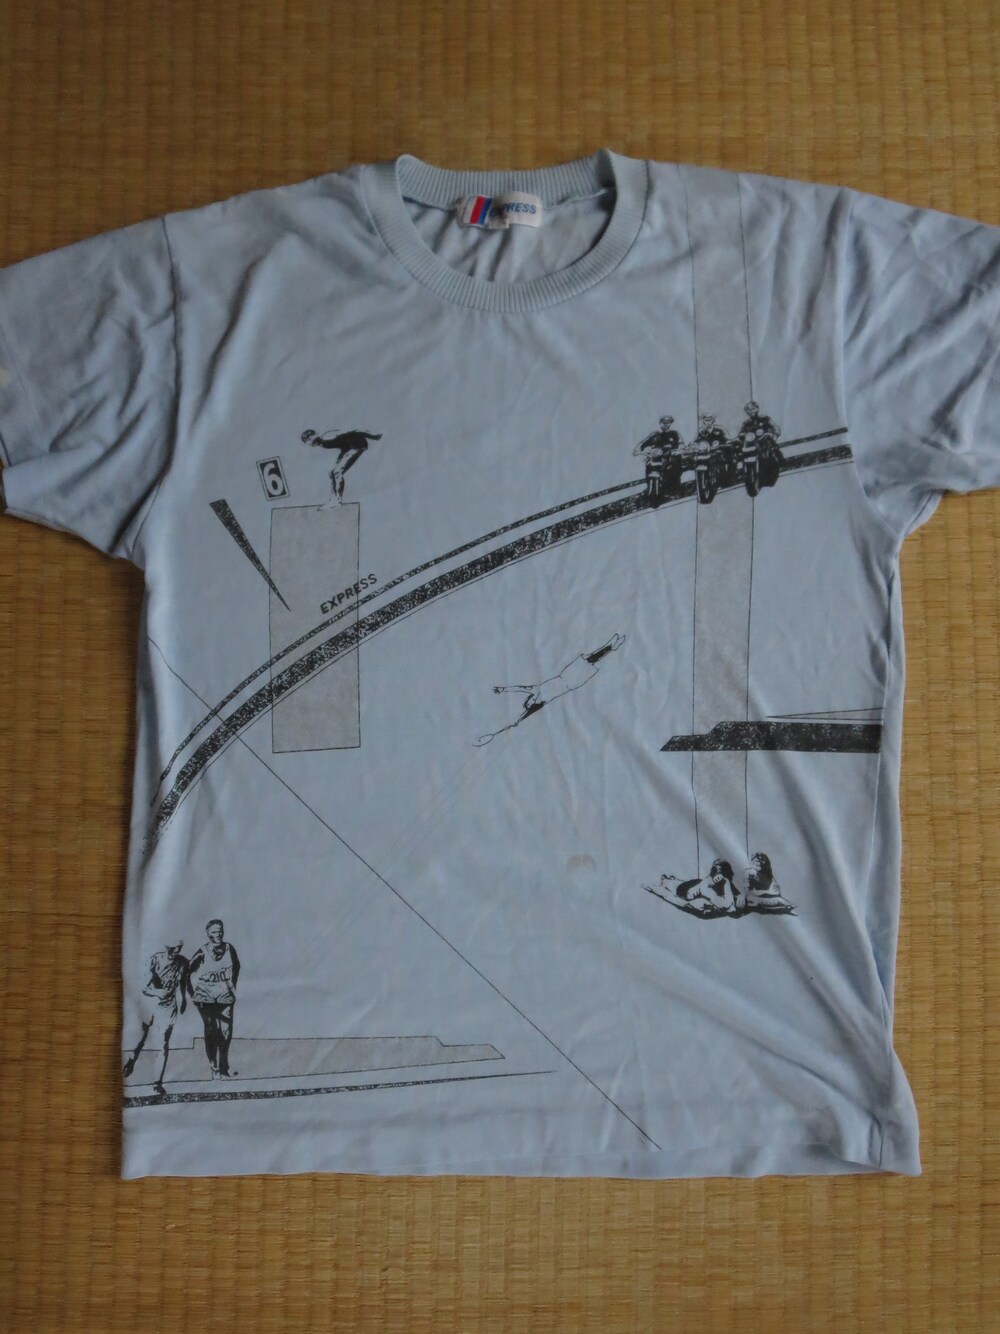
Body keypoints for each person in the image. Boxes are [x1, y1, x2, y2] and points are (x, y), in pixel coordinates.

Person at [475, 633, 627, 745]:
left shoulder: (535, 689)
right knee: (591, 662)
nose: (530, 703)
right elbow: (524, 716)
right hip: (569, 685)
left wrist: (503, 689)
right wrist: (517, 721)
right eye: (530, 705)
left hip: (564, 676)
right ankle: (611, 647)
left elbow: (519, 688)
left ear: (529, 699)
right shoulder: (542, 702)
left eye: (528, 702)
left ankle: (610, 646)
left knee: (588, 658)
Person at [123, 940, 190, 1097]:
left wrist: (183, 998)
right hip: (150, 1003)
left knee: (163, 1043)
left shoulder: (183, 962)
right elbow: (144, 987)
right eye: (173, 948)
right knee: (140, 1039)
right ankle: (132, 1059)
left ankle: (157, 1084)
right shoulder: (155, 960)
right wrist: (157, 992)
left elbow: (183, 981)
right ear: (167, 947)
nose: (176, 950)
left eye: (179, 947)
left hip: (168, 1006)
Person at [188, 919, 241, 1079]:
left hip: (225, 997)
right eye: (214, 932)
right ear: (208, 934)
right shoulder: (202, 951)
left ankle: (224, 1066)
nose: (217, 934)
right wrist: (192, 994)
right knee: (211, 1030)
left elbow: (237, 966)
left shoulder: (229, 948)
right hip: (206, 998)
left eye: (220, 931)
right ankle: (214, 1067)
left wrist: (232, 986)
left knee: (226, 1032)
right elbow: (187, 972)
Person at [301, 426, 383, 506]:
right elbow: (342, 444)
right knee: (332, 472)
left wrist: (374, 436)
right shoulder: (321, 444)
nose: (311, 441)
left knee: (337, 472)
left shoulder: (327, 436)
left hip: (357, 445)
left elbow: (354, 430)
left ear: (316, 434)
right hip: (347, 447)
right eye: (308, 441)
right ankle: (334, 498)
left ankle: (337, 500)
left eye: (311, 438)